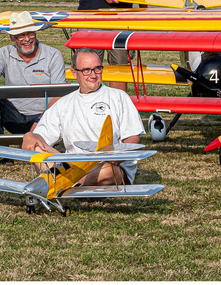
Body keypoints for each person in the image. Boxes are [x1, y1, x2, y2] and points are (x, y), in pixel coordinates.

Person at [20, 49, 145, 186]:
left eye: (97, 69)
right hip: (73, 165)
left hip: (107, 166)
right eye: (86, 70)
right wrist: (30, 136)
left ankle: (64, 183)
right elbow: (41, 137)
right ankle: (67, 181)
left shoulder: (119, 96)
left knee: (110, 171)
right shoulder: (64, 103)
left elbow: (133, 137)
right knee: (36, 148)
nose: (93, 75)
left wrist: (119, 156)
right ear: (74, 73)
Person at [0, 17, 66, 135]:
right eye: (21, 35)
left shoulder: (54, 55)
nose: (27, 39)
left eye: (30, 33)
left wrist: (41, 120)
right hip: (14, 116)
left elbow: (59, 95)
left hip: (45, 118)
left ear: (35, 33)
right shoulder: (4, 52)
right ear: (12, 38)